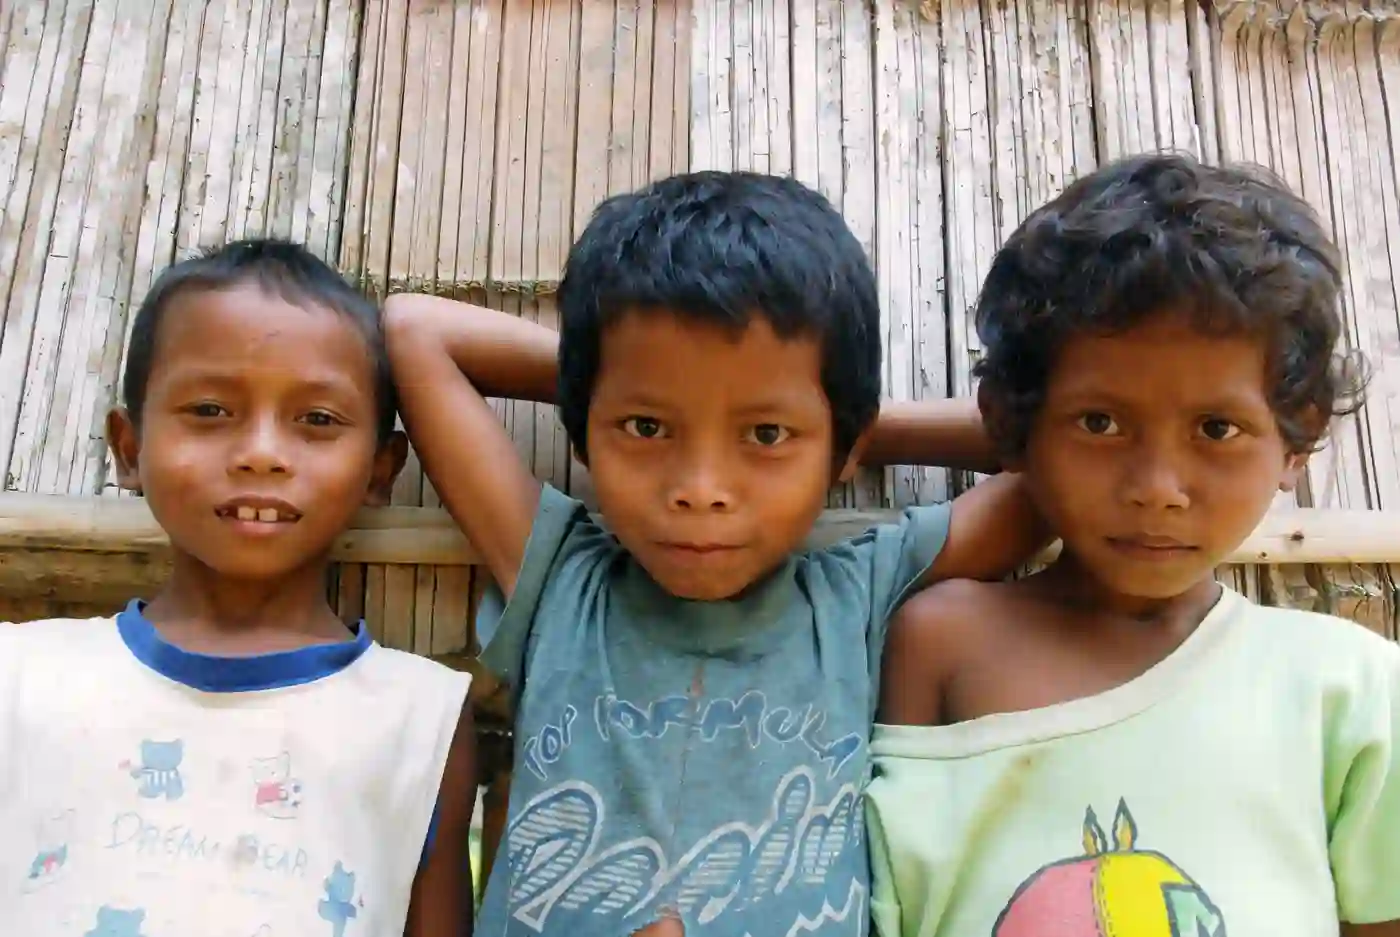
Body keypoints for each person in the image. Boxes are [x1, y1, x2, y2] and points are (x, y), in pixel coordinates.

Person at [384, 170, 1050, 937]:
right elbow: (413, 330)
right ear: (585, 428)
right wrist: (610, 379)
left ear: (844, 447)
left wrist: (853, 424)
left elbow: (1053, 466)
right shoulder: (560, 579)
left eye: (766, 434)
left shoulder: (857, 599)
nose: (700, 489)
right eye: (645, 427)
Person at [868, 153, 1399, 937]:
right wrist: (866, 430)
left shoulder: (1349, 689)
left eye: (1216, 428)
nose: (1156, 487)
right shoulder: (942, 643)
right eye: (1101, 423)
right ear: (1013, 423)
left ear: (1297, 439)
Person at [0, 241, 477, 937]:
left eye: (317, 420)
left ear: (380, 469)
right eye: (209, 409)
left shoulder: (421, 722)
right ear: (129, 448)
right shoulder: (19, 676)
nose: (261, 453)